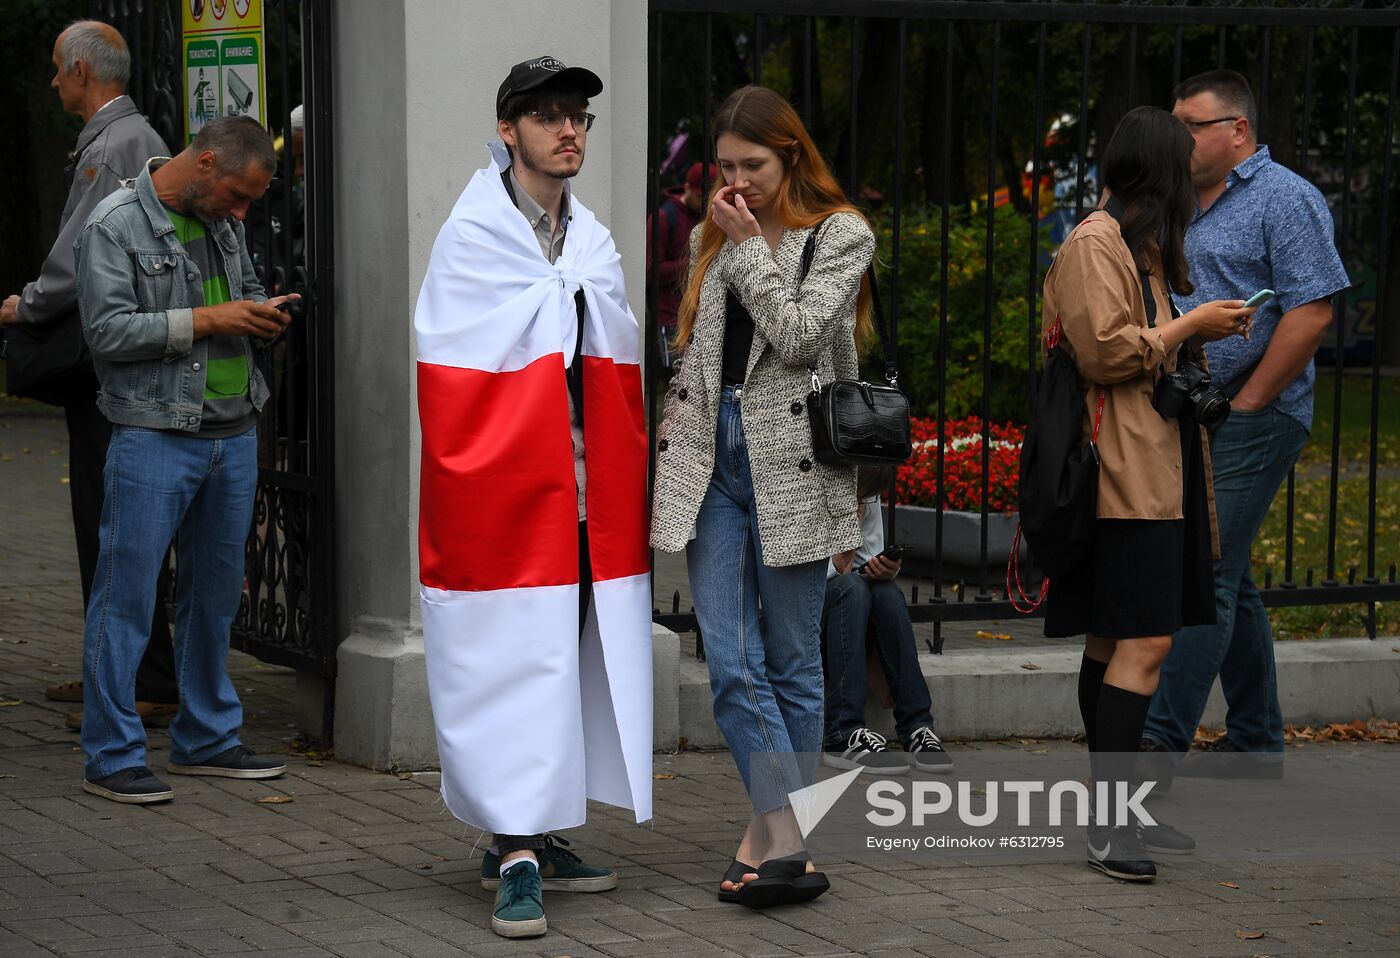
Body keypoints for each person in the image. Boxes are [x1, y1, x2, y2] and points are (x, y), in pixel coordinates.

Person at [413, 55, 652, 940]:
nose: (570, 130)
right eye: (550, 115)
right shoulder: (475, 236)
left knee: (565, 656)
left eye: (579, 116)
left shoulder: (590, 242)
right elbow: (454, 368)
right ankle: (513, 857)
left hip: (584, 494)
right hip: (506, 493)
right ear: (509, 129)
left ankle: (533, 834)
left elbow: (617, 363)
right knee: (512, 658)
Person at [651, 85, 875, 908]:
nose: (739, 183)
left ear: (792, 157)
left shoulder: (840, 233)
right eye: (727, 168)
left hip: (797, 462)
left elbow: (799, 336)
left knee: (790, 662)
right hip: (715, 454)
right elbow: (697, 349)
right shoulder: (718, 228)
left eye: (756, 166)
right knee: (732, 664)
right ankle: (788, 834)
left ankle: (770, 840)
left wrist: (747, 248)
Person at [1040, 106, 1257, 882]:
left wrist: (1193, 329)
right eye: (1183, 161)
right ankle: (1109, 827)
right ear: (1156, 171)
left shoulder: (1142, 248)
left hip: (1150, 469)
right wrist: (1188, 322)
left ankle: (1116, 813)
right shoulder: (1097, 243)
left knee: (1114, 642)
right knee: (1144, 643)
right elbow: (1105, 353)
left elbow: (1146, 347)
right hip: (1121, 477)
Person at [74, 116, 297, 805]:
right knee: (127, 595)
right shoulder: (114, 224)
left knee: (211, 599)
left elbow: (245, 287)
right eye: (237, 195)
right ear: (203, 164)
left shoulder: (221, 222)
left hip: (231, 435)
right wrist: (212, 320)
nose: (242, 212)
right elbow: (107, 333)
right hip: (153, 434)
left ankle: (205, 738)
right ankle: (111, 754)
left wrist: (261, 311)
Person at [1142, 70, 1350, 771]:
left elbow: (1313, 309)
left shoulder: (1286, 197)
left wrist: (1254, 400)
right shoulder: (1177, 201)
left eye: (1190, 126)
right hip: (1197, 409)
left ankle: (1156, 746)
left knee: (1207, 572)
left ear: (1237, 131)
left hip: (1258, 413)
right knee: (1233, 577)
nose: (1177, 138)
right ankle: (1257, 740)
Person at [0, 20, 180, 731]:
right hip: (118, 359)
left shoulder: (114, 145)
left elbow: (80, 257)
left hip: (109, 362)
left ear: (81, 69)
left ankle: (142, 680)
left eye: (56, 68)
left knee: (111, 519)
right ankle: (118, 668)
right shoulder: (129, 139)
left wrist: (27, 303)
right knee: (105, 516)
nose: (51, 81)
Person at [822, 466, 952, 775]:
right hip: (803, 615)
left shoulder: (865, 486)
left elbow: (867, 559)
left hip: (849, 616)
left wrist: (884, 569)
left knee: (885, 591)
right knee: (851, 588)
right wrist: (845, 542)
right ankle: (842, 733)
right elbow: (805, 576)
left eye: (866, 498)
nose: (864, 504)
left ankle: (917, 726)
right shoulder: (810, 487)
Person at [646, 161, 716, 336]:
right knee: (672, 364)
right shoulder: (664, 217)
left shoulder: (709, 217)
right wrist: (695, 262)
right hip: (669, 315)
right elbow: (651, 272)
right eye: (701, 197)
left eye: (708, 197)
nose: (704, 203)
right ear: (687, 188)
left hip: (700, 316)